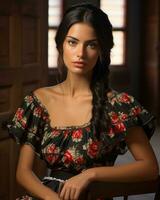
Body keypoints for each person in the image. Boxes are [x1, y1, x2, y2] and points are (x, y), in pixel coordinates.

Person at [8, 3, 159, 200]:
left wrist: (90, 174)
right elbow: (23, 173)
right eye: (73, 42)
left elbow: (149, 168)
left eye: (91, 45)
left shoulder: (119, 105)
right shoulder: (38, 102)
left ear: (101, 51)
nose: (81, 53)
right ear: (61, 44)